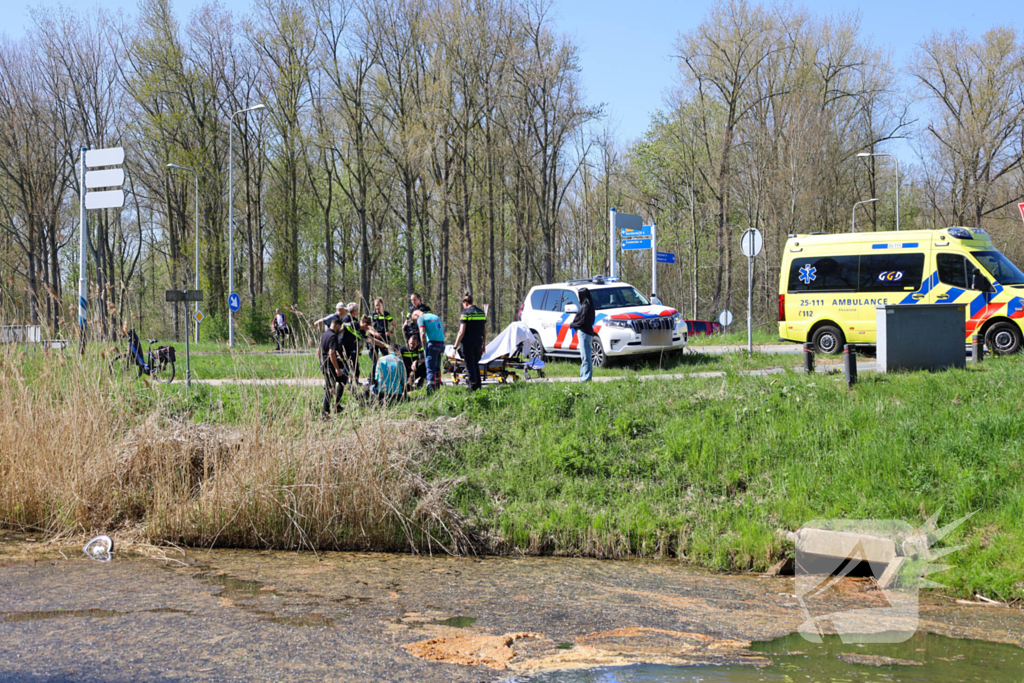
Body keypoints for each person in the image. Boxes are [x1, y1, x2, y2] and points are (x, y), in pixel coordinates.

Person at [453, 292, 487, 391]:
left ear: (465, 303)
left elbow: (461, 332)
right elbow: (485, 331)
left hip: (468, 341)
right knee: (476, 363)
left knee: (469, 364)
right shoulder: (481, 312)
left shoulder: (465, 313)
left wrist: (455, 347)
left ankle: (472, 386)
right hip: (478, 341)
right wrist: (484, 345)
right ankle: (478, 386)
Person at [413, 309, 445, 394]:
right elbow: (443, 331)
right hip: (441, 344)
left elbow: (422, 333)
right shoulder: (435, 316)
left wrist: (424, 347)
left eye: (415, 319)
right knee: (437, 367)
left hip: (432, 345)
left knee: (430, 369)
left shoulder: (421, 318)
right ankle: (437, 386)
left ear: (416, 315)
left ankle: (430, 390)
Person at [569, 287, 597, 383]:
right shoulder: (590, 306)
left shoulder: (585, 307)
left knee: (585, 357)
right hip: (588, 333)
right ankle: (585, 377)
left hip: (584, 333)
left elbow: (582, 321)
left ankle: (585, 379)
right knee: (587, 356)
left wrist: (573, 325)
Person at [319, 317, 345, 416]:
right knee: (330, 389)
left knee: (343, 380)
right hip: (330, 366)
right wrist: (337, 368)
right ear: (337, 325)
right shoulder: (333, 336)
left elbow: (319, 351)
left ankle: (337, 405)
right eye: (340, 327)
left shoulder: (324, 334)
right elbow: (331, 353)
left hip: (324, 364)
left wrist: (320, 362)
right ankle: (326, 414)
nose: (340, 329)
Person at [369, 297, 395, 381]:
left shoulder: (386, 314)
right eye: (376, 305)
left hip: (384, 337)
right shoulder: (372, 314)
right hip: (374, 338)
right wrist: (374, 333)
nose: (377, 307)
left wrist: (390, 332)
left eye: (379, 305)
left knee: (386, 357)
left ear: (382, 305)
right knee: (374, 359)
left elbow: (394, 325)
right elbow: (368, 327)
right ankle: (372, 377)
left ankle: (387, 376)